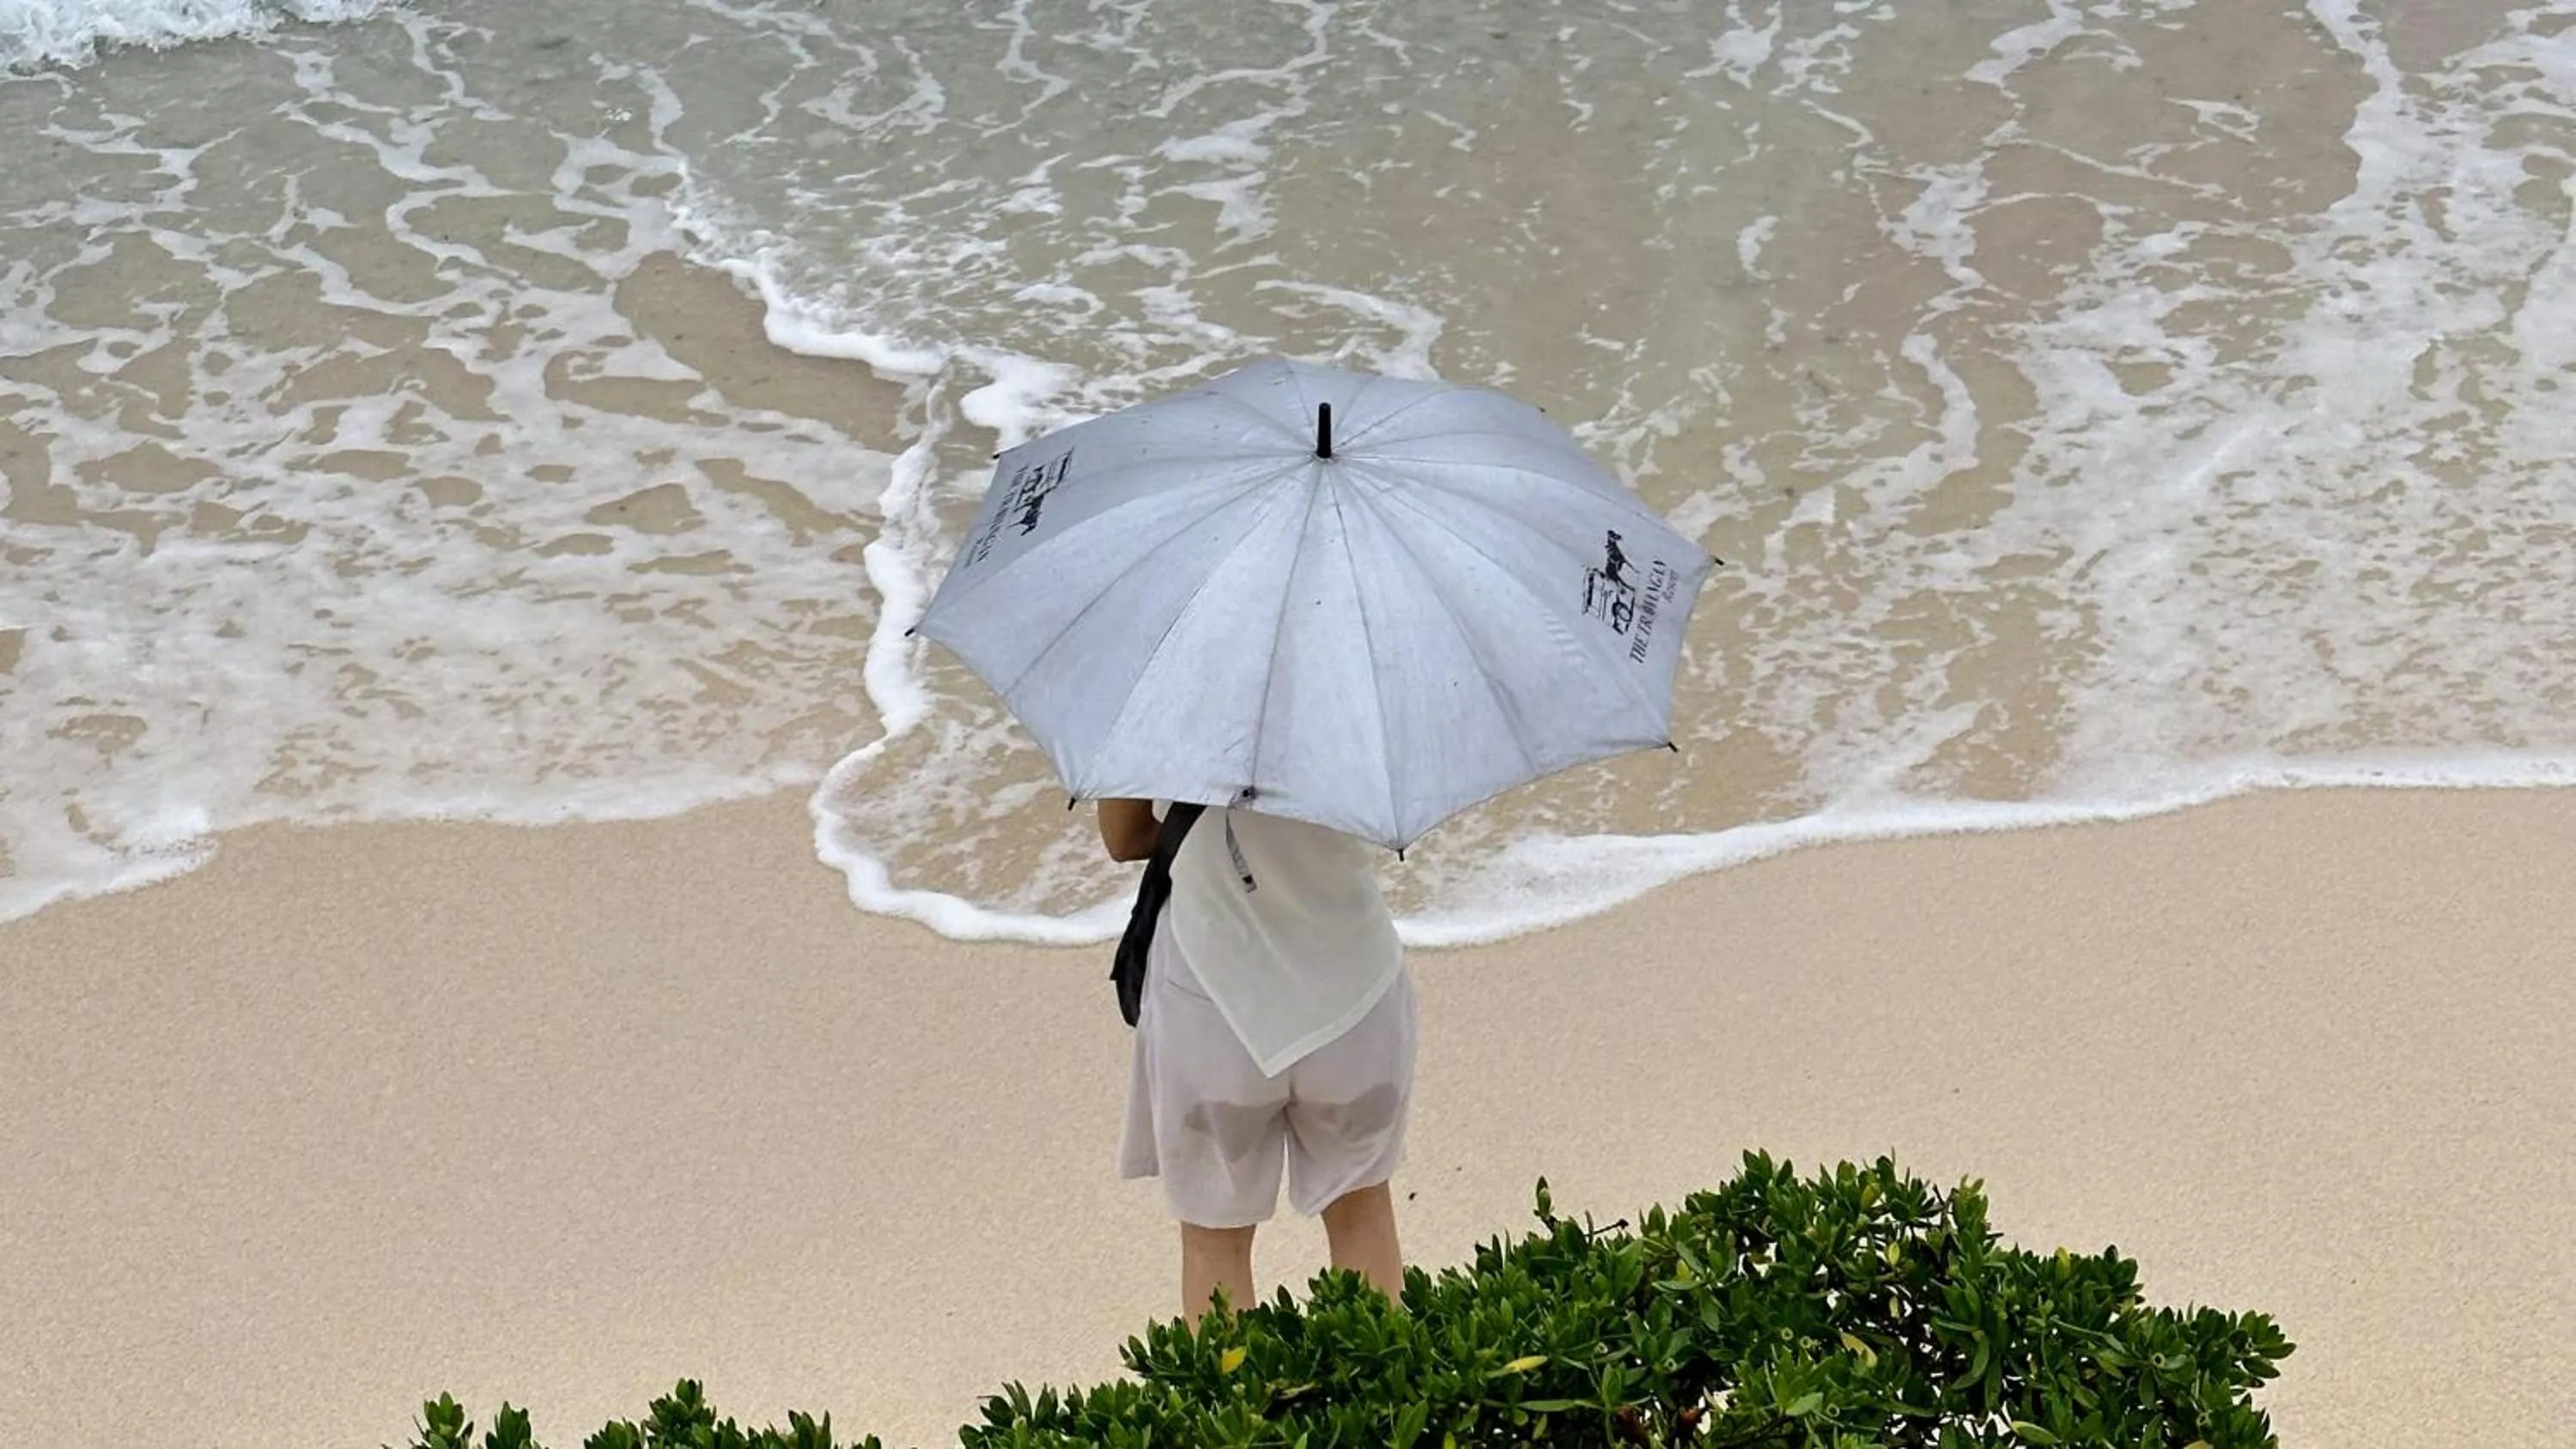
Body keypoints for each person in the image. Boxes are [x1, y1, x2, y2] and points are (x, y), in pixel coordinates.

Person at [1097, 797, 1416, 1320]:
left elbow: (1124, 839)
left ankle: (1235, 1402)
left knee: (1214, 1240)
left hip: (1211, 999)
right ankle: (1377, 1399)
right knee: (1360, 1212)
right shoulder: (1362, 713)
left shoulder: (1155, 712)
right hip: (1353, 988)